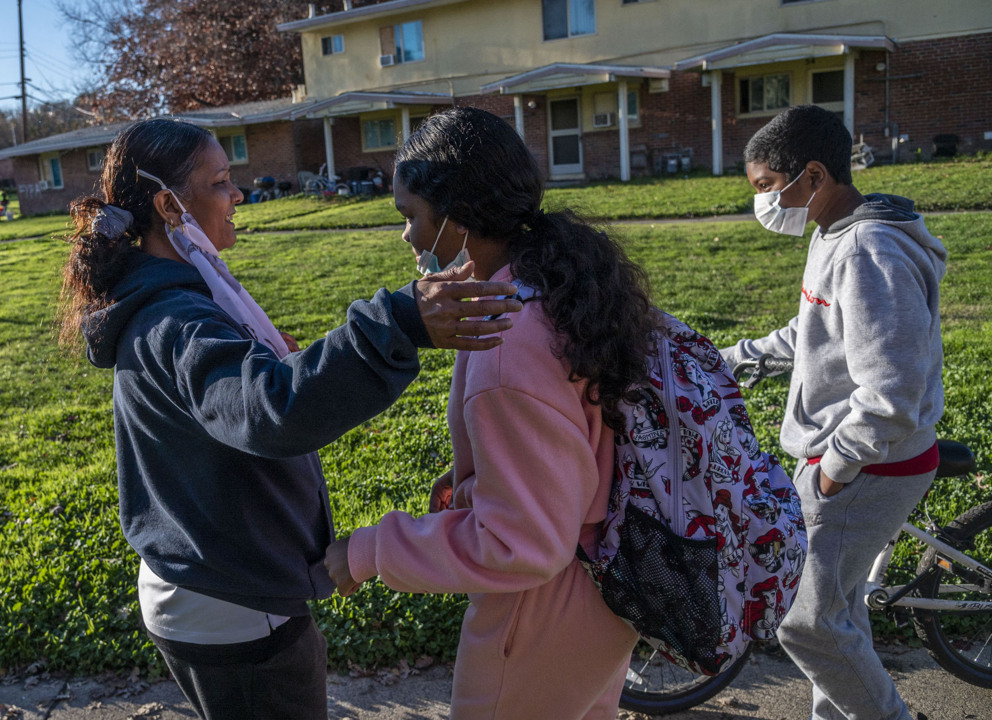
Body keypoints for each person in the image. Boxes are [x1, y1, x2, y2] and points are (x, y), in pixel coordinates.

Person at [56, 117, 523, 720]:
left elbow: (241, 398)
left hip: (207, 583)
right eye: (222, 182)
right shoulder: (176, 322)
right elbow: (271, 410)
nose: (237, 194)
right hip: (234, 607)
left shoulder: (171, 300)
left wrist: (280, 366)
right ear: (171, 206)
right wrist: (399, 322)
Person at [324, 107, 652, 720]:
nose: (407, 237)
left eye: (410, 216)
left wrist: (370, 551)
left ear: (457, 214)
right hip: (606, 584)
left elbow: (521, 541)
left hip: (541, 614)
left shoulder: (508, 344)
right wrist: (480, 478)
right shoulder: (553, 284)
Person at [719, 104, 945, 720]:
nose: (763, 202)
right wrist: (734, 358)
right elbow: (816, 328)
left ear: (813, 176)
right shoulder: (835, 233)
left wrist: (832, 469)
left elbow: (892, 392)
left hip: (868, 465)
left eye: (767, 187)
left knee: (805, 621)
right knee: (836, 615)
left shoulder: (870, 252)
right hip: (846, 458)